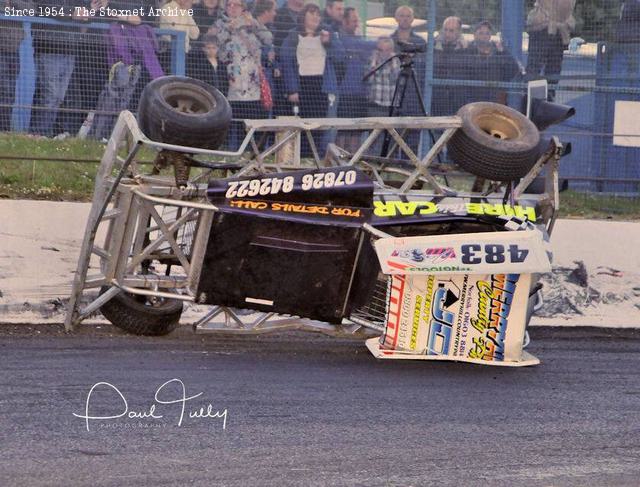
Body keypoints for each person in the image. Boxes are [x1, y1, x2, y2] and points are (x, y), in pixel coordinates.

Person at [280, 3, 344, 155]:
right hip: (302, 85)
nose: (316, 17)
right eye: (312, 13)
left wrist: (329, 43)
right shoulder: (293, 36)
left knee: (319, 125)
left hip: (321, 86)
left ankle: (316, 157)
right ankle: (302, 157)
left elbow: (341, 56)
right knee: (302, 125)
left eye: (318, 14)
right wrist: (292, 89)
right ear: (304, 16)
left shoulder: (327, 34)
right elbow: (286, 62)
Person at [212, 0, 272, 148]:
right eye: (229, 5)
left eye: (236, 5)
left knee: (253, 120)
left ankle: (253, 152)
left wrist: (254, 25)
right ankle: (231, 150)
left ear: (243, 8)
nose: (232, 8)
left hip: (253, 82)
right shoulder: (220, 24)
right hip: (230, 81)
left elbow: (268, 38)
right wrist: (228, 29)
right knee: (233, 121)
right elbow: (213, 44)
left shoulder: (251, 22)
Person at [30, 0, 88, 136]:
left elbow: (83, 9)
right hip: (49, 47)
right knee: (49, 95)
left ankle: (46, 133)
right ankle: (39, 133)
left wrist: (86, 13)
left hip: (70, 48)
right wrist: (71, 13)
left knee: (58, 97)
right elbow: (42, 7)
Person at [336, 7, 375, 151]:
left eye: (357, 21)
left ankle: (353, 161)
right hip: (346, 93)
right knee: (343, 130)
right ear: (345, 21)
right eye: (353, 21)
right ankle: (339, 162)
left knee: (356, 131)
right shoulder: (340, 38)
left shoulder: (358, 39)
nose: (356, 24)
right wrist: (378, 44)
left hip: (361, 92)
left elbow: (366, 54)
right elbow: (360, 46)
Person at [390, 5, 426, 155]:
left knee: (412, 133)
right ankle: (389, 164)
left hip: (413, 93)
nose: (404, 19)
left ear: (412, 19)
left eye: (408, 16)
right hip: (393, 91)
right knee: (392, 131)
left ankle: (408, 165)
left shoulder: (420, 42)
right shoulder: (390, 40)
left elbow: (424, 67)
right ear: (396, 18)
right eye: (401, 15)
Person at [525, 0, 576, 99]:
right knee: (535, 70)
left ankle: (548, 98)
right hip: (542, 29)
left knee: (553, 71)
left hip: (558, 32)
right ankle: (530, 98)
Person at [464, 21, 520, 105]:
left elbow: (514, 70)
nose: (484, 36)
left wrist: (503, 52)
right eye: (481, 33)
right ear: (474, 35)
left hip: (495, 99)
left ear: (490, 36)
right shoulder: (468, 50)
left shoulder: (499, 51)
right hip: (474, 99)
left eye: (487, 33)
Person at [0, 0, 34, 132]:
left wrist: (12, 2)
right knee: (3, 90)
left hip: (13, 48)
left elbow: (31, 9)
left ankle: (5, 130)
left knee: (9, 93)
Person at [365, 36, 399, 155]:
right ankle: (372, 163)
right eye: (379, 50)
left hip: (390, 106)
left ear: (390, 50)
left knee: (389, 139)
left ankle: (387, 163)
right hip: (375, 105)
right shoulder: (372, 60)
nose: (382, 53)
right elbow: (369, 79)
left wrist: (391, 61)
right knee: (373, 138)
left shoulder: (396, 61)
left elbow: (396, 78)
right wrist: (374, 62)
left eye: (385, 50)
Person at [432, 16, 467, 115]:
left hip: (458, 98)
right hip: (437, 98)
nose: (447, 34)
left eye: (451, 31)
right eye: (445, 30)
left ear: (459, 32)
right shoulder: (433, 46)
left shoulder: (467, 49)